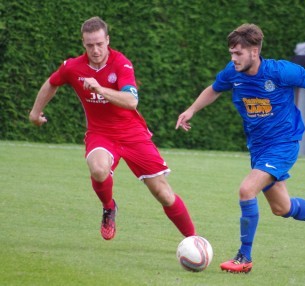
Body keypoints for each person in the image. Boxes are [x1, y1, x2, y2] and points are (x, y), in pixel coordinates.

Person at [176, 23, 305, 274]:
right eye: (231, 53)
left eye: (238, 53)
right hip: (258, 148)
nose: (233, 58)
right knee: (282, 208)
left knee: (247, 190)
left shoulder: (279, 71)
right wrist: (191, 110)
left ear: (254, 52)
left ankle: (244, 257)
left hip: (283, 144)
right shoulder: (232, 73)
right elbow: (214, 89)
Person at [29, 16, 196, 241]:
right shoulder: (72, 67)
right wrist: (35, 112)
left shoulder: (121, 63)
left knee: (163, 194)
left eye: (99, 43)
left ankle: (193, 240)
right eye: (90, 45)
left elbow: (131, 101)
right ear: (83, 43)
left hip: (133, 134)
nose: (95, 50)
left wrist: (99, 88)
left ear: (107, 40)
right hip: (100, 134)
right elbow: (52, 83)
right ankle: (109, 207)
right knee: (98, 169)